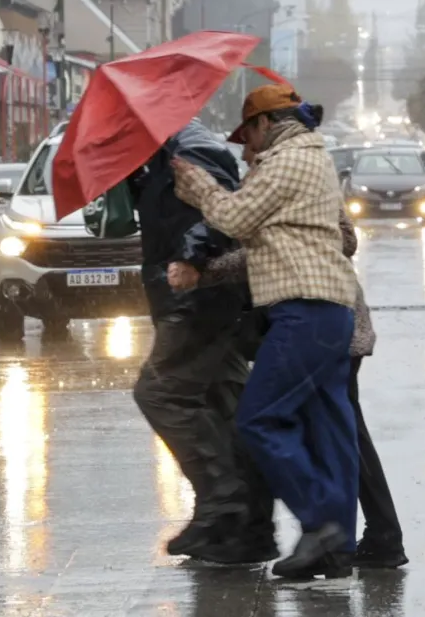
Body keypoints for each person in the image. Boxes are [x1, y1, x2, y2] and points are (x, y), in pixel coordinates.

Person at [170, 84, 360, 579]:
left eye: (248, 136)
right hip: (325, 308)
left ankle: (321, 523)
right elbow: (265, 242)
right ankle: (336, 548)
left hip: (306, 307)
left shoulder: (289, 159)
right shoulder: (308, 157)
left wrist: (196, 186)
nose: (245, 149)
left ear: (265, 123)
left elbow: (234, 216)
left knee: (259, 417)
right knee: (332, 429)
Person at [180, 202, 410, 569]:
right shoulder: (264, 184)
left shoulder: (293, 177)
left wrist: (210, 269)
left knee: (342, 434)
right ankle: (363, 539)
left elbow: (344, 239)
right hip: (307, 325)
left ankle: (367, 538)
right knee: (337, 432)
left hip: (328, 322)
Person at [128, 120, 276, 565]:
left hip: (199, 300)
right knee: (222, 402)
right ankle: (247, 528)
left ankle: (222, 502)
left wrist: (191, 258)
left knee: (160, 391)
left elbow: (217, 216)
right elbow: (171, 216)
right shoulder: (157, 157)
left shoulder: (190, 148)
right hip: (195, 298)